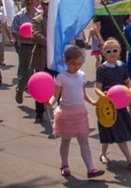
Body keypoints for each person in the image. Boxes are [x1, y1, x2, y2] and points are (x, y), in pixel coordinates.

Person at [45, 45, 105, 179]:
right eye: (73, 64)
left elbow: (83, 93)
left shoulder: (82, 75)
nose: (76, 66)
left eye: (79, 63)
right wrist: (50, 103)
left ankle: (91, 168)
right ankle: (64, 164)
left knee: (84, 140)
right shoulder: (61, 77)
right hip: (66, 113)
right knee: (66, 140)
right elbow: (56, 95)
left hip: (80, 112)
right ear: (66, 62)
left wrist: (93, 102)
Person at [94, 38, 131, 167]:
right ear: (103, 53)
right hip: (108, 105)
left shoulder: (122, 66)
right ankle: (125, 157)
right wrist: (103, 95)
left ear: (119, 51)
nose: (112, 53)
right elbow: (97, 87)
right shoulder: (102, 69)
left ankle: (124, 157)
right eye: (108, 51)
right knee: (108, 130)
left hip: (120, 103)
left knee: (118, 130)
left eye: (115, 50)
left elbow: (127, 80)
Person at [11, 0, 40, 105]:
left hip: (39, 46)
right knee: (26, 72)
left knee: (39, 71)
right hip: (25, 46)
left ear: (35, 0)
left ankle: (38, 94)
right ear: (24, 1)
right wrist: (24, 36)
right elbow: (13, 32)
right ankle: (20, 89)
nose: (29, 1)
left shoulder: (40, 14)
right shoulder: (19, 16)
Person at [31, 0, 54, 123]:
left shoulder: (59, 20)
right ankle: (39, 112)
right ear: (42, 5)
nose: (49, 6)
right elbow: (36, 36)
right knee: (41, 87)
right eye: (46, 4)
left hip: (57, 59)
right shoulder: (37, 20)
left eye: (51, 4)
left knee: (60, 85)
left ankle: (60, 109)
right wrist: (51, 43)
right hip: (43, 58)